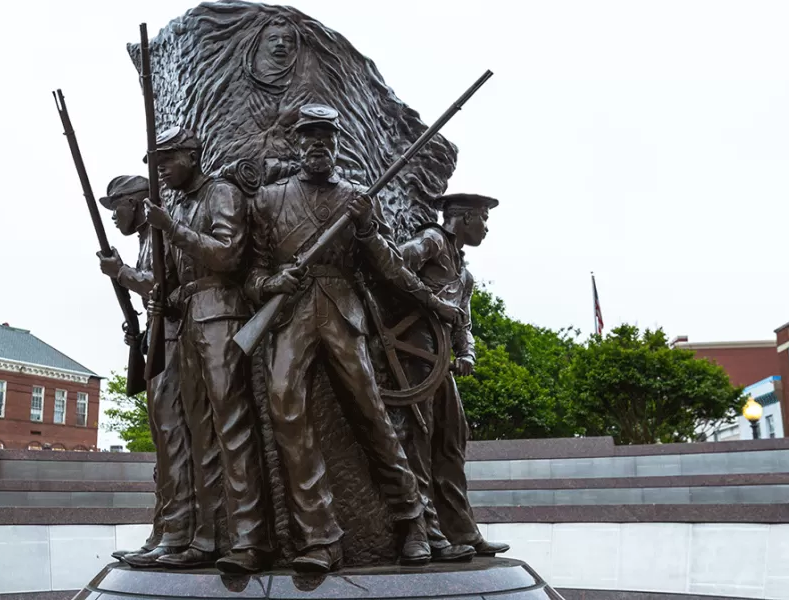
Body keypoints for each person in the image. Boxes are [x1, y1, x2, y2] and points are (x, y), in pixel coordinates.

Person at [245, 103, 463, 572]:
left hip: (343, 312)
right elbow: (254, 273)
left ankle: (414, 522)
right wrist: (270, 283)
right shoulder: (267, 200)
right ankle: (320, 537)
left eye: (327, 138)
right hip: (290, 313)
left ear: (337, 144)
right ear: (297, 143)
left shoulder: (358, 197)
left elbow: (387, 266)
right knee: (285, 409)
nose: (318, 145)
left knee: (372, 414)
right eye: (310, 137)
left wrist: (366, 228)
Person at [141, 127, 273, 573]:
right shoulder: (178, 205)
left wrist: (172, 230)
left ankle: (251, 539)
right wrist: (166, 292)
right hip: (190, 318)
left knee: (232, 426)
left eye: (167, 160)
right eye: (155, 163)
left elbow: (228, 255)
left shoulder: (221, 193)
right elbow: (177, 277)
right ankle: (208, 536)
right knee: (201, 435)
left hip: (222, 314)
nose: (160, 170)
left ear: (192, 156)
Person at [95, 175, 211, 568]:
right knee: (164, 442)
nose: (114, 217)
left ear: (137, 203)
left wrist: (122, 273)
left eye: (117, 206)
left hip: (177, 341)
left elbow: (167, 287)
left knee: (174, 437)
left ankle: (177, 534)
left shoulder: (160, 236)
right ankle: (164, 530)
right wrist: (140, 334)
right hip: (160, 340)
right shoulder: (147, 240)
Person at [395, 192, 511, 558]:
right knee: (418, 441)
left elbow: (464, 325)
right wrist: (431, 302)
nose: (486, 228)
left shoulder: (465, 275)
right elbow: (394, 264)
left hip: (440, 362)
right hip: (413, 357)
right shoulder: (431, 241)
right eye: (483, 219)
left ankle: (463, 531)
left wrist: (468, 353)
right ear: (464, 217)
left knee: (452, 443)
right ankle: (428, 535)